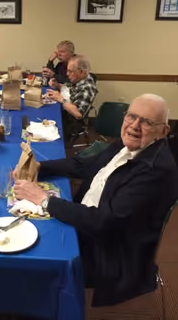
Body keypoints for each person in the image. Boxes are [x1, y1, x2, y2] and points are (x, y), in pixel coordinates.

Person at [14, 94, 178, 307]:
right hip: (90, 223)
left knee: (30, 254)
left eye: (147, 122)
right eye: (131, 117)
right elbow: (82, 166)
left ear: (164, 132)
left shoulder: (154, 170)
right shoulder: (130, 144)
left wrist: (44, 199)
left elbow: (104, 222)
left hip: (109, 254)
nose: (134, 126)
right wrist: (40, 168)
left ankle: (34, 306)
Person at [47, 56, 97, 140]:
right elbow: (69, 90)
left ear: (81, 72)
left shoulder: (87, 87)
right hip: (66, 114)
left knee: (45, 125)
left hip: (72, 123)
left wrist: (60, 99)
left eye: (70, 71)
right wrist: (58, 85)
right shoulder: (78, 80)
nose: (67, 74)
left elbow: (78, 114)